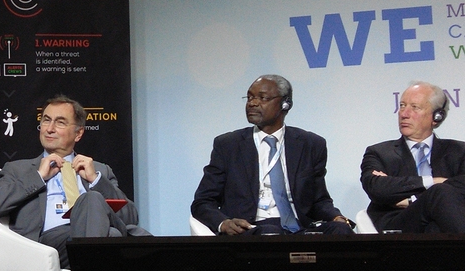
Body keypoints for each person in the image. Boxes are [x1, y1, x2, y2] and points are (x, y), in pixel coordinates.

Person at [0, 95, 147, 269]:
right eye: (46, 120)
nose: (49, 129)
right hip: (46, 246)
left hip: (90, 238)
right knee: (109, 228)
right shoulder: (19, 169)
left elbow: (130, 217)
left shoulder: (100, 170)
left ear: (79, 133)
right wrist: (38, 177)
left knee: (99, 213)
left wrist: (96, 180)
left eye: (60, 122)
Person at [191, 74, 354, 235]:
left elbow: (319, 201)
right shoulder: (228, 145)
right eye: (249, 97)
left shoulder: (311, 144)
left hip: (298, 227)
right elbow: (203, 202)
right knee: (270, 233)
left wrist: (336, 217)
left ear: (285, 104)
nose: (252, 103)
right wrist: (223, 223)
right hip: (252, 228)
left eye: (263, 98)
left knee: (340, 230)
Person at [360, 80, 465, 233]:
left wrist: (411, 199)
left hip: (442, 225)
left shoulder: (459, 151)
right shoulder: (379, 152)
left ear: (437, 116)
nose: (404, 113)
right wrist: (432, 182)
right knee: (440, 191)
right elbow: (377, 189)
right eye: (402, 105)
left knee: (434, 227)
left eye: (414, 107)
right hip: (398, 224)